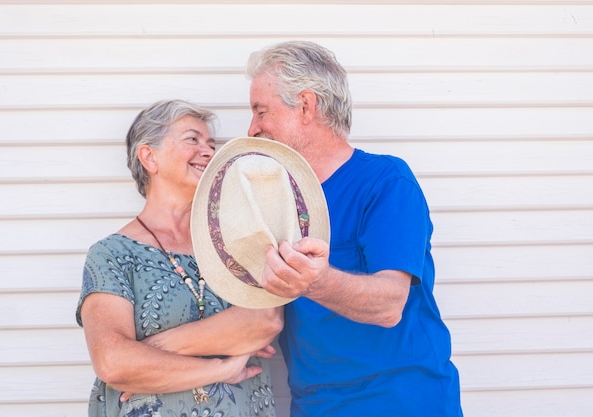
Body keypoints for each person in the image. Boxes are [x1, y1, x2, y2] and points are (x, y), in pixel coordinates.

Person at [246, 41, 463, 416]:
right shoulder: (275, 199)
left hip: (401, 403)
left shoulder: (386, 181)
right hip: (316, 406)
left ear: (306, 106)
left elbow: (390, 304)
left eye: (261, 111)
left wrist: (311, 280)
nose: (252, 129)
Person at [76, 99, 283, 417]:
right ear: (149, 156)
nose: (207, 152)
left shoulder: (236, 242)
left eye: (210, 144)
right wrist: (223, 369)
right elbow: (111, 362)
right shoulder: (112, 255)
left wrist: (147, 353)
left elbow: (263, 321)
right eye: (192, 139)